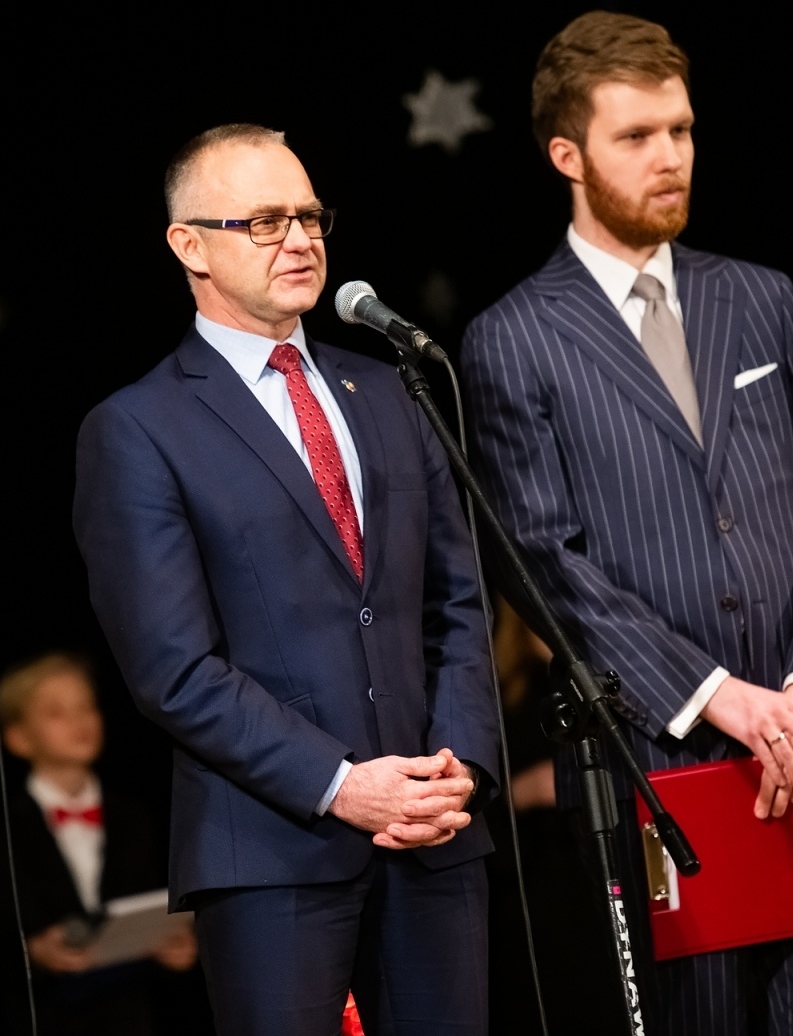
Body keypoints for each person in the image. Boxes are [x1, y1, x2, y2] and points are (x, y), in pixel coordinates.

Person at [460, 12, 793, 1035]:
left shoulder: (762, 299)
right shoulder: (512, 339)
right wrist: (717, 697)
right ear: (566, 155)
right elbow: (545, 567)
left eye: (680, 131)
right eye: (635, 137)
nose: (668, 157)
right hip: (657, 767)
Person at [72, 124, 500, 1036]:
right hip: (274, 855)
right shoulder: (139, 428)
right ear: (189, 246)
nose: (301, 239)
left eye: (308, 215)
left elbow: (456, 603)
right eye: (264, 222)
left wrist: (460, 764)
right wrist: (342, 783)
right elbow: (174, 671)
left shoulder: (390, 389)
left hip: (436, 835)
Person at [0, 652, 202, 1035]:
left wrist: (179, 945)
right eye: (57, 713)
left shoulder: (137, 815)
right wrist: (32, 951)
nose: (79, 721)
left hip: (134, 1017)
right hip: (44, 1018)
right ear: (18, 737)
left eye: (87, 707)